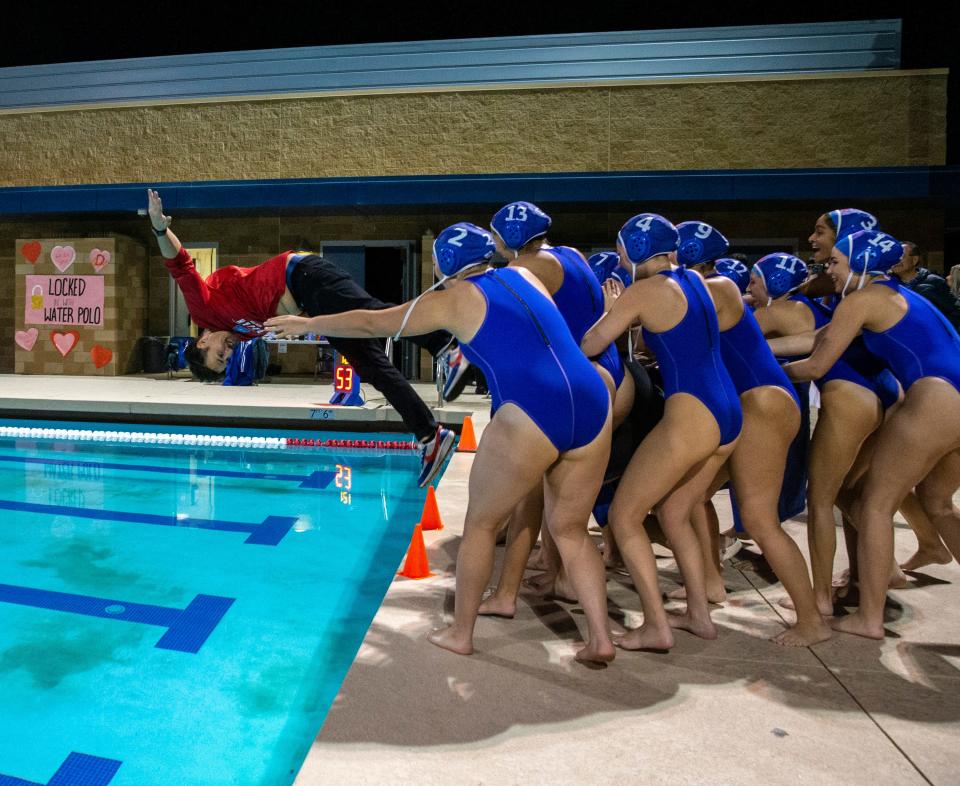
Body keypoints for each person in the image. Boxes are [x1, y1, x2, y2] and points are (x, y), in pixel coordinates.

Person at [266, 222, 616, 663]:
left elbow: (374, 322)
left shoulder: (453, 299)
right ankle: (600, 637)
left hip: (532, 410)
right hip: (591, 397)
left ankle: (461, 634)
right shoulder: (524, 273)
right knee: (570, 529)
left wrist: (308, 323)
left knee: (481, 526)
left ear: (446, 264)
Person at [146, 189, 455, 487]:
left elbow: (181, 266)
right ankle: (430, 432)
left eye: (219, 354)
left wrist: (160, 231)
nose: (229, 352)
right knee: (371, 360)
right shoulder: (239, 332)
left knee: (377, 320)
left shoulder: (204, 309)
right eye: (226, 361)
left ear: (202, 341)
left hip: (305, 276)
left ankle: (444, 351)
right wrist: (304, 323)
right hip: (310, 295)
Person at [782, 229, 960, 639]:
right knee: (937, 502)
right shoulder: (895, 294)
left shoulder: (860, 300)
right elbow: (820, 339)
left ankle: (869, 617)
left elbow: (814, 364)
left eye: (836, 263)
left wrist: (757, 373)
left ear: (860, 264)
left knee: (873, 505)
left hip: (936, 397)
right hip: (954, 394)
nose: (830, 270)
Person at [581, 213, 742, 649]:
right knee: (673, 513)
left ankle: (655, 626)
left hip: (692, 414)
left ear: (633, 249)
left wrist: (612, 311)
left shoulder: (644, 290)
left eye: (620, 249)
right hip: (728, 409)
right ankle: (699, 616)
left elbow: (591, 345)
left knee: (625, 516)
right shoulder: (697, 283)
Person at [681, 223, 830, 645]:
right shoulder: (714, 287)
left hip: (762, 406)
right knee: (688, 497)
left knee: (761, 522)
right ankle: (709, 583)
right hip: (755, 403)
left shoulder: (712, 288)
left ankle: (811, 621)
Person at [891, 242, 960, 331]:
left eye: (900, 256)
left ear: (915, 259)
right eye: (892, 257)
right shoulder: (888, 285)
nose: (895, 261)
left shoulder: (934, 282)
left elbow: (955, 311)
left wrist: (939, 331)